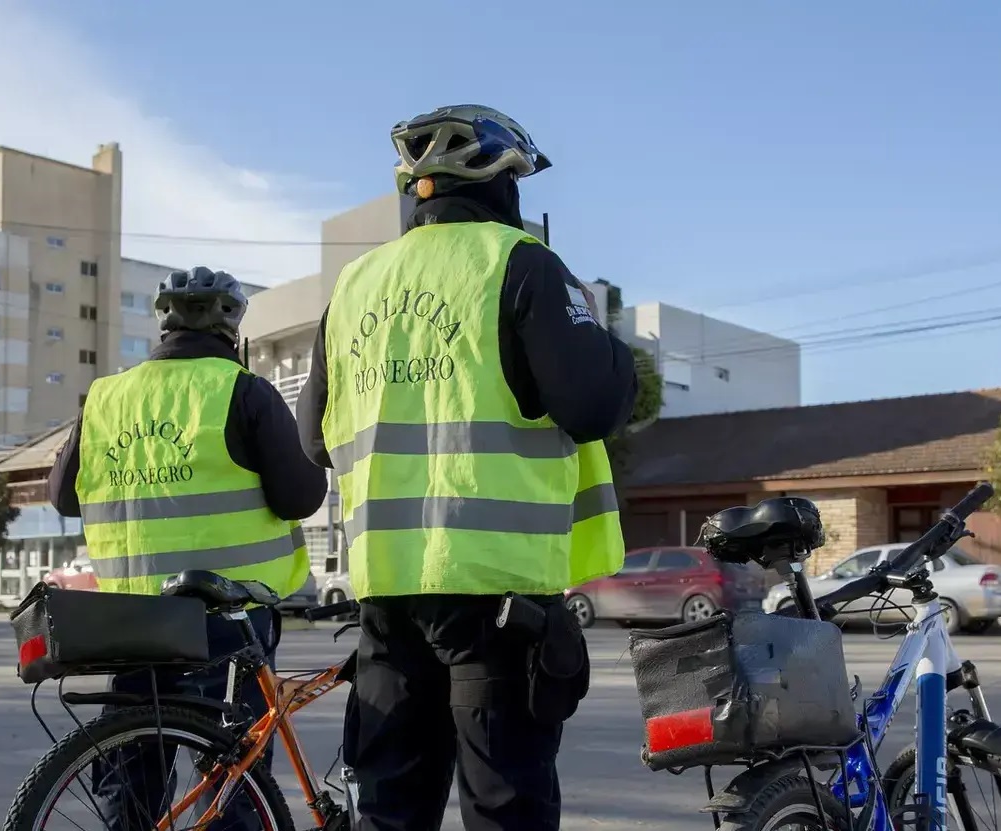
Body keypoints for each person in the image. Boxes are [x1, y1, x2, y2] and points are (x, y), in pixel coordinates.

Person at [296, 104, 639, 831]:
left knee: (389, 812)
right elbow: (592, 404)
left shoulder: (353, 288)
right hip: (494, 596)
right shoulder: (520, 264)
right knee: (502, 807)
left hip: (388, 595)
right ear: (506, 184)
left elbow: (313, 442)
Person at [48, 266, 327, 829]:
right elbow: (302, 496)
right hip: (226, 621)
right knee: (232, 777)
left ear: (164, 325)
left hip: (131, 622)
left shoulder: (107, 398)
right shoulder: (243, 391)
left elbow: (61, 496)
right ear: (232, 328)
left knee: (133, 774)